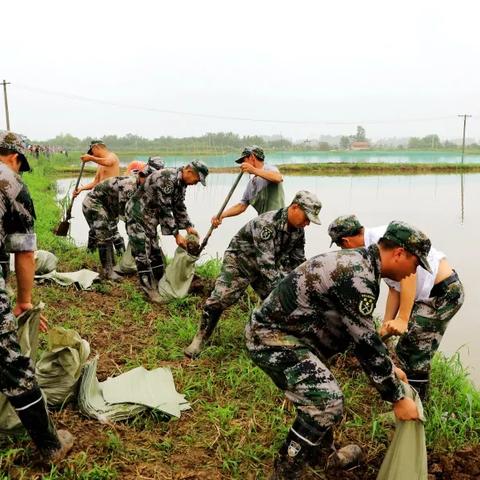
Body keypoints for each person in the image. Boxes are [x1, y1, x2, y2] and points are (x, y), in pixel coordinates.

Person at [245, 221, 430, 479]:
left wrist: (389, 367)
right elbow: (365, 342)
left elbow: (360, 332)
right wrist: (398, 398)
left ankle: (323, 456)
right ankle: (284, 473)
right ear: (399, 253)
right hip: (271, 338)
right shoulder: (358, 276)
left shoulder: (361, 264)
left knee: (321, 390)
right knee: (327, 400)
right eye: (416, 263)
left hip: (297, 336)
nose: (414, 272)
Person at [327, 214, 464, 400]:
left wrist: (403, 319)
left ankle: (415, 408)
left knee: (413, 351)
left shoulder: (383, 240)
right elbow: (394, 287)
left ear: (346, 240)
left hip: (442, 293)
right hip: (431, 294)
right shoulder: (378, 247)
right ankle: (412, 402)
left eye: (342, 247)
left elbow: (409, 276)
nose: (345, 251)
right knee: (410, 349)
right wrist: (386, 325)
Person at [0, 132, 74, 462]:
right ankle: (50, 445)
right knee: (11, 364)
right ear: (15, 158)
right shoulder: (11, 183)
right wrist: (23, 301)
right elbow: (25, 254)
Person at [185, 190, 322, 358]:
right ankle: (200, 338)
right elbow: (266, 264)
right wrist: (284, 291)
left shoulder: (298, 230)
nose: (307, 223)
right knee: (220, 299)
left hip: (267, 266)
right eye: (306, 218)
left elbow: (298, 260)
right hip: (240, 263)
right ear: (294, 207)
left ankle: (267, 338)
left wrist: (304, 283)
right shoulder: (266, 224)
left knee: (280, 303)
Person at [125, 160, 209, 302]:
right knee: (142, 251)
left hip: (150, 217)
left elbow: (179, 205)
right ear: (189, 171)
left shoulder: (181, 183)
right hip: (137, 214)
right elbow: (165, 209)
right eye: (197, 179)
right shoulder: (167, 178)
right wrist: (176, 235)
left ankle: (159, 282)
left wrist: (188, 226)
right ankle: (149, 291)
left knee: (154, 249)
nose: (196, 183)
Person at [82, 157, 164, 280]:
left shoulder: (146, 187)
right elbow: (129, 219)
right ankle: (107, 272)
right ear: (142, 176)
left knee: (110, 232)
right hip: (94, 203)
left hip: (109, 207)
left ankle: (111, 267)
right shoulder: (129, 188)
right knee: (105, 233)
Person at [211, 146, 284, 228]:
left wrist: (253, 170)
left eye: (244, 160)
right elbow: (241, 206)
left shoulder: (269, 168)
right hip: (264, 225)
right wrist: (221, 215)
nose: (242, 164)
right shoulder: (251, 184)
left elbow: (278, 178)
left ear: (252, 157)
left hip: (279, 222)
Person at [73, 140, 122, 253]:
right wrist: (81, 189)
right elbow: (96, 182)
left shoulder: (111, 156)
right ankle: (91, 252)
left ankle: (121, 253)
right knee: (95, 227)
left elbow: (108, 162)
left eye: (92, 152)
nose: (93, 154)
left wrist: (91, 159)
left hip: (111, 199)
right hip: (99, 200)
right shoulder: (100, 164)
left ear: (96, 148)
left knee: (112, 228)